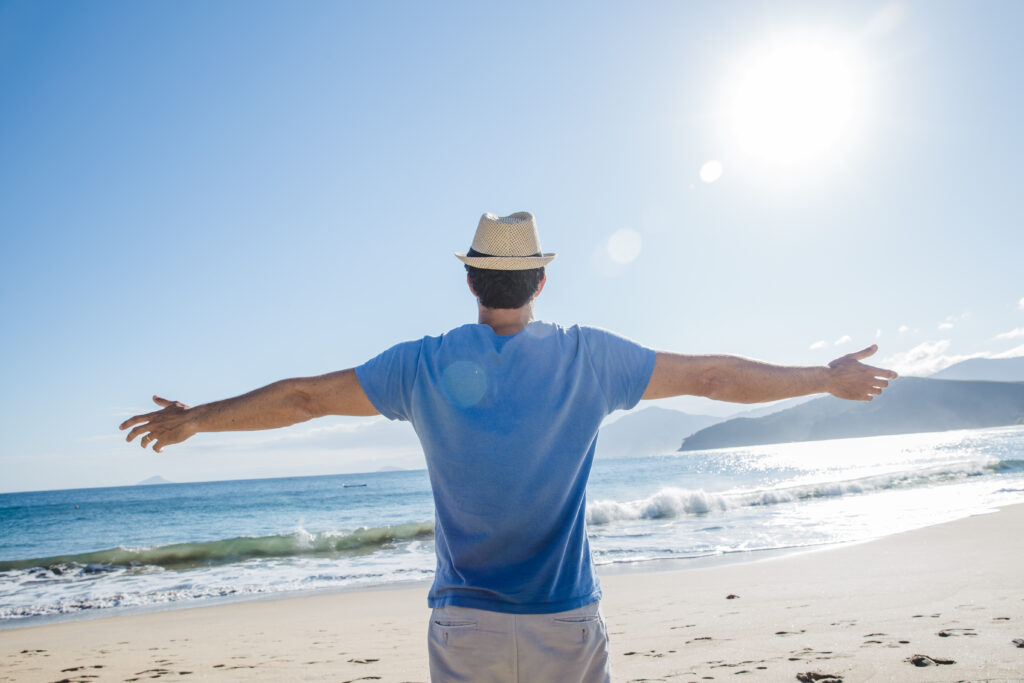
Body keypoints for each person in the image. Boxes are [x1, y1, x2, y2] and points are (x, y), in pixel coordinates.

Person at [120, 211, 897, 683]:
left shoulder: (421, 365)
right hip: (565, 618)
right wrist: (823, 378)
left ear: (471, 282)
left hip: (465, 624)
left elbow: (303, 398)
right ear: (540, 283)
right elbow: (716, 375)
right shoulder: (591, 358)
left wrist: (198, 419)